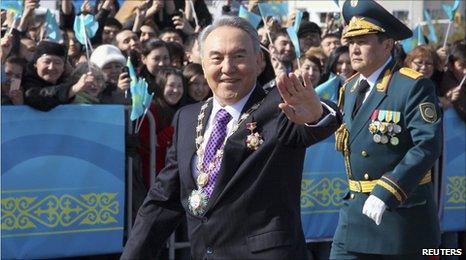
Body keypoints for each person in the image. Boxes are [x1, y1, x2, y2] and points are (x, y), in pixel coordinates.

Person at [121, 16, 341, 259]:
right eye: (216, 58)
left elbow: (321, 121)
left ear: (258, 61)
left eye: (238, 56)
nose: (227, 68)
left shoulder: (280, 108)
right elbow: (163, 200)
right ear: (202, 64)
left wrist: (316, 115)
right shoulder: (187, 117)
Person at [331, 0, 442, 258]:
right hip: (354, 215)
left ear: (388, 44)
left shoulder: (411, 86)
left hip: (398, 216)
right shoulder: (348, 88)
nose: (354, 49)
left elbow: (427, 144)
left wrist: (387, 191)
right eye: (351, 42)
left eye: (364, 41)